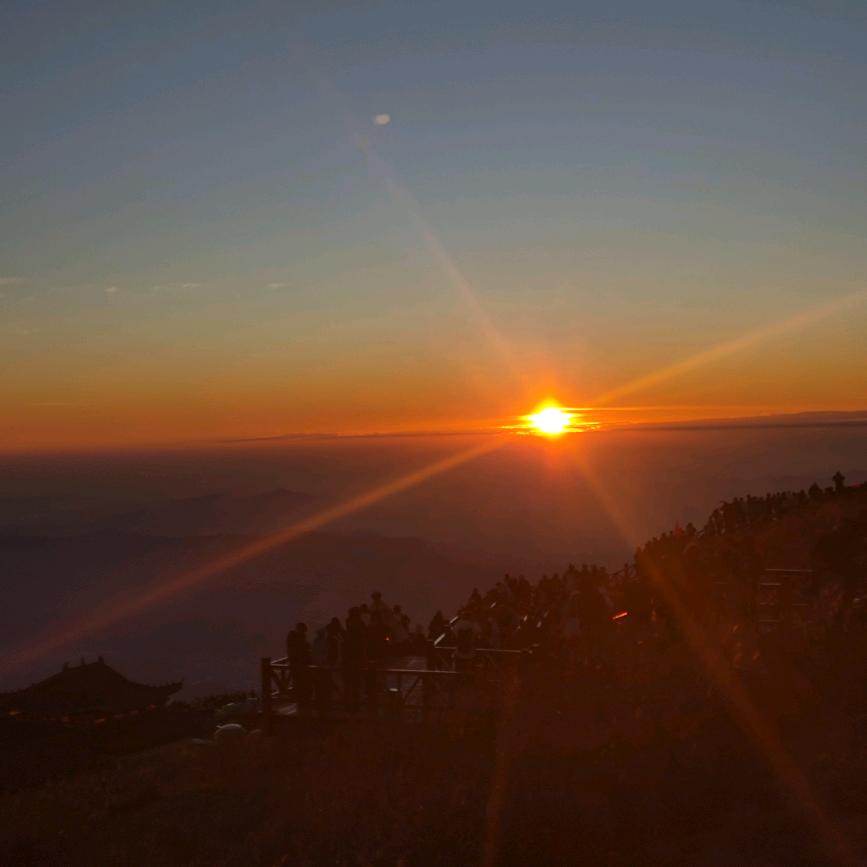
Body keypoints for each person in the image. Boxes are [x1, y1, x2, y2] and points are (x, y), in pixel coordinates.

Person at [342, 607, 366, 711]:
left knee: (349, 684)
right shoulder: (359, 626)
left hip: (349, 659)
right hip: (355, 659)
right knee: (355, 683)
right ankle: (355, 704)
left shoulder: (349, 632)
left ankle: (348, 704)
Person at [286, 622, 312, 706]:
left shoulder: (294, 637)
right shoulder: (297, 637)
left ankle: (300, 700)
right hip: (298, 664)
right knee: (300, 682)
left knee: (299, 682)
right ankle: (301, 700)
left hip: (297, 664)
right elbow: (303, 648)